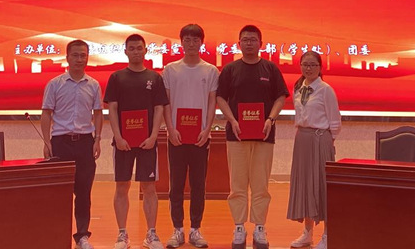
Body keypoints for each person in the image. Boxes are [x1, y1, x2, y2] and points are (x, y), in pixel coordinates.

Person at [216, 24, 289, 249]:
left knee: (261, 185)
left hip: (264, 135)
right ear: (239, 44)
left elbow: (280, 97)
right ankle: (239, 226)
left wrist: (270, 119)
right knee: (237, 184)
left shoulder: (270, 68)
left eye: (253, 39)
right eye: (245, 40)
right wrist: (232, 120)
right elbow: (221, 98)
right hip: (236, 135)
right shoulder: (230, 69)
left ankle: (259, 227)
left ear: (261, 43)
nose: (249, 43)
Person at [105, 34, 169, 249]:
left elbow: (159, 108)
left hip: (147, 143)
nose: (135, 51)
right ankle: (122, 234)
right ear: (125, 51)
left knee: (149, 187)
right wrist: (118, 136)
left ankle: (151, 234)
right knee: (122, 186)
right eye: (131, 48)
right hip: (122, 143)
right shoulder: (117, 77)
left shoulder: (155, 78)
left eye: (139, 48)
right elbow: (112, 108)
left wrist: (153, 136)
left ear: (145, 50)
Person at [41, 39, 103, 249]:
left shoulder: (93, 85)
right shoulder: (55, 84)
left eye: (83, 55)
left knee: (84, 193)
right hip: (61, 143)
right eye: (75, 55)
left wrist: (97, 140)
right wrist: (47, 142)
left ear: (87, 57)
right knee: (60, 193)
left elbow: (98, 114)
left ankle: (82, 236)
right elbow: (46, 113)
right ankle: (58, 234)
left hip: (85, 143)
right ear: (67, 58)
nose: (79, 59)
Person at [162, 24, 219, 249]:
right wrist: (170, 128)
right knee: (175, 185)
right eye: (187, 39)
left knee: (198, 185)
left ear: (201, 43)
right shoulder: (170, 70)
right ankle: (177, 229)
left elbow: (212, 102)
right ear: (181, 42)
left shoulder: (211, 71)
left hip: (200, 137)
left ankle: (196, 229)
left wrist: (207, 129)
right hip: (176, 136)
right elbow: (166, 102)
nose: (191, 44)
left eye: (196, 40)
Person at [287, 51, 341, 249]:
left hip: (320, 140)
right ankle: (307, 233)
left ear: (320, 68)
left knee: (321, 186)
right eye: (305, 65)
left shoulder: (325, 90)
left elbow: (335, 122)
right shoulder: (298, 87)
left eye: (312, 65)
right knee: (304, 185)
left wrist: (327, 142)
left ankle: (327, 234)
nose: (308, 68)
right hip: (302, 140)